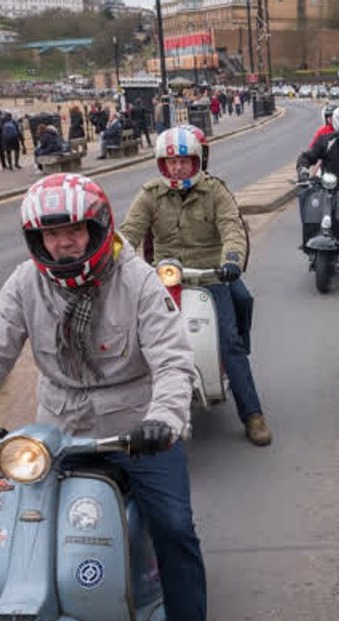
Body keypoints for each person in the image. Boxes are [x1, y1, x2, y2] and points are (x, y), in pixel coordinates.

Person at [0, 173, 232, 621]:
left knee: (175, 530)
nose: (63, 243)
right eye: (51, 234)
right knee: (16, 521)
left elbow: (173, 357)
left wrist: (162, 420)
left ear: (98, 228)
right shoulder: (24, 283)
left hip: (136, 429)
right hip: (57, 429)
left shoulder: (135, 279)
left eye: (74, 231)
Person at [119, 128, 273, 447]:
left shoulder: (215, 190)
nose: (177, 168)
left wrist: (230, 260)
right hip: (163, 279)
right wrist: (111, 263)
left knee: (230, 343)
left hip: (210, 275)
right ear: (162, 163)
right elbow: (129, 233)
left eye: (184, 161)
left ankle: (253, 415)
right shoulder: (149, 194)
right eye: (171, 162)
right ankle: (135, 413)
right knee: (138, 342)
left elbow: (232, 227)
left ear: (196, 162)